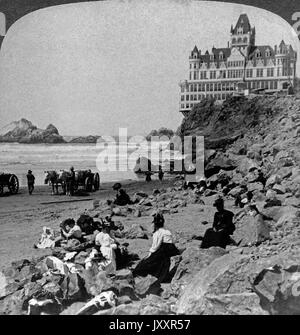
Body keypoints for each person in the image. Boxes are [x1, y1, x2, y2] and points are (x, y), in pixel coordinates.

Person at [132, 212, 179, 283]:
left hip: (163, 250)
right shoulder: (167, 231)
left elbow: (156, 246)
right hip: (171, 249)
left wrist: (149, 254)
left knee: (148, 262)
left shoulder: (158, 233)